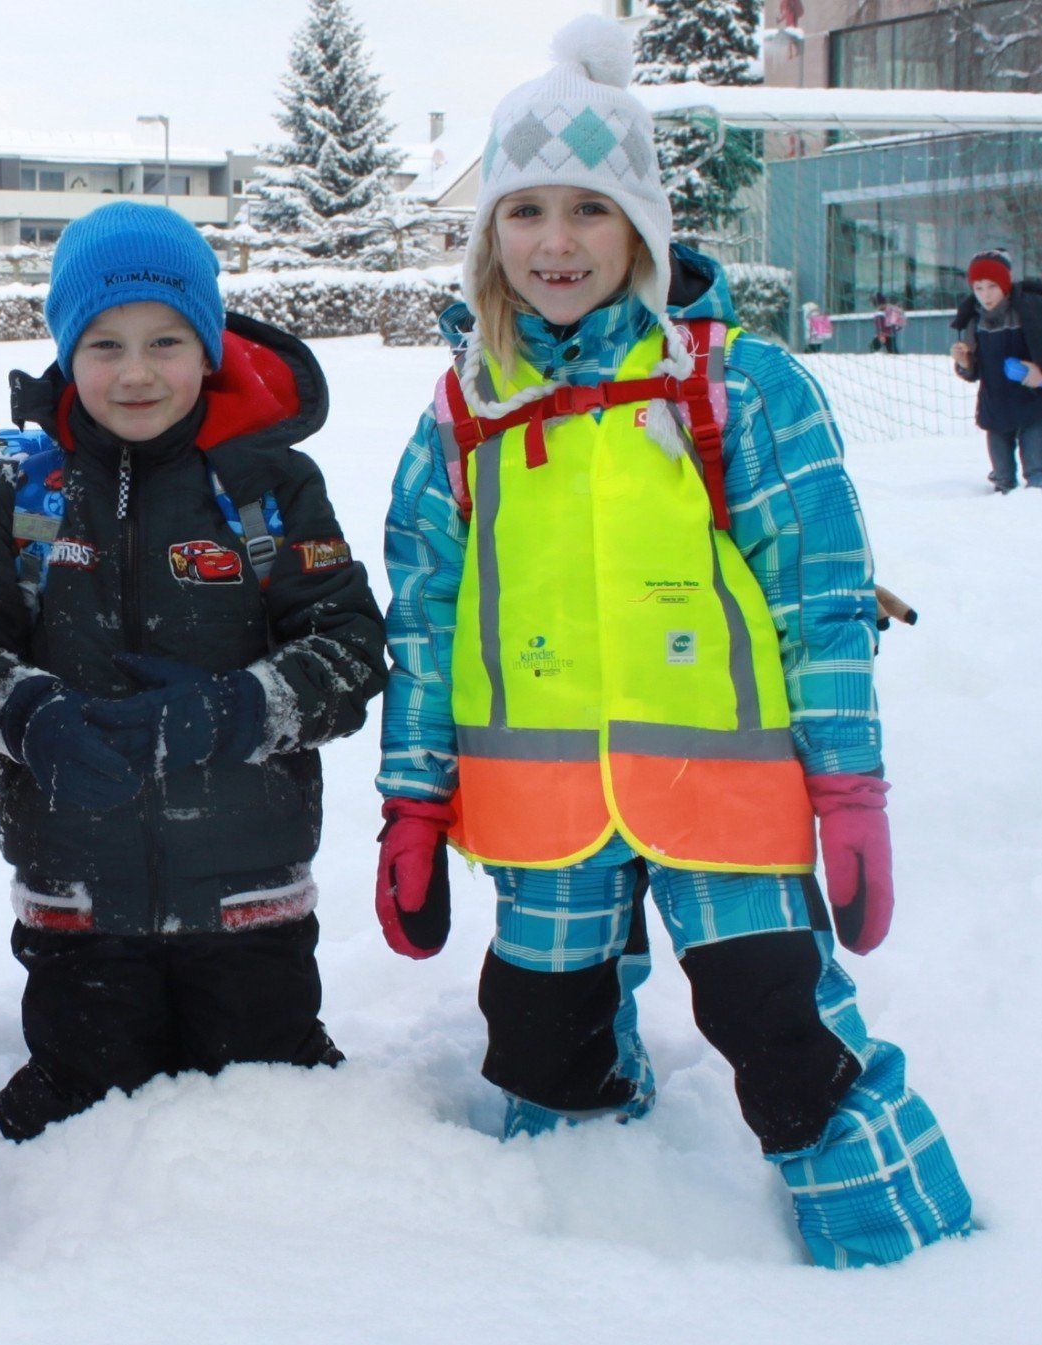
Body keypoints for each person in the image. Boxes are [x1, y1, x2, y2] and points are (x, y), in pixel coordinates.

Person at [376, 17, 971, 1269]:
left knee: (786, 1034)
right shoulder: (462, 416)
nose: (552, 243)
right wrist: (411, 806)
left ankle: (910, 1260)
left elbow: (818, 593)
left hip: (727, 792)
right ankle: (590, 1248)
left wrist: (847, 789)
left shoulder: (736, 388)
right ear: (488, 234)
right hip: (536, 808)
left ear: (640, 227)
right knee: (542, 1039)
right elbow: (425, 619)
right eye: (522, 211)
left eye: (586, 211)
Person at [0, 201, 386, 1141]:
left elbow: (347, 652)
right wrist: (27, 716)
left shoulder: (268, 487)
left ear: (208, 347)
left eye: (165, 341)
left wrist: (233, 712)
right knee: (79, 1128)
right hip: (76, 911)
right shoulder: (27, 491)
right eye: (103, 344)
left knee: (271, 1130)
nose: (135, 372)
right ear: (66, 352)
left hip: (247, 910)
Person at [949, 248, 1042, 492]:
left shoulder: (1029, 312)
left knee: (1036, 474)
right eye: (978, 288)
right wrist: (965, 363)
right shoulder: (974, 320)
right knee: (1003, 480)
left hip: (1033, 406)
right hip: (995, 406)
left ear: (1005, 283)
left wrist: (1038, 373)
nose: (985, 295)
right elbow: (974, 372)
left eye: (992, 286)